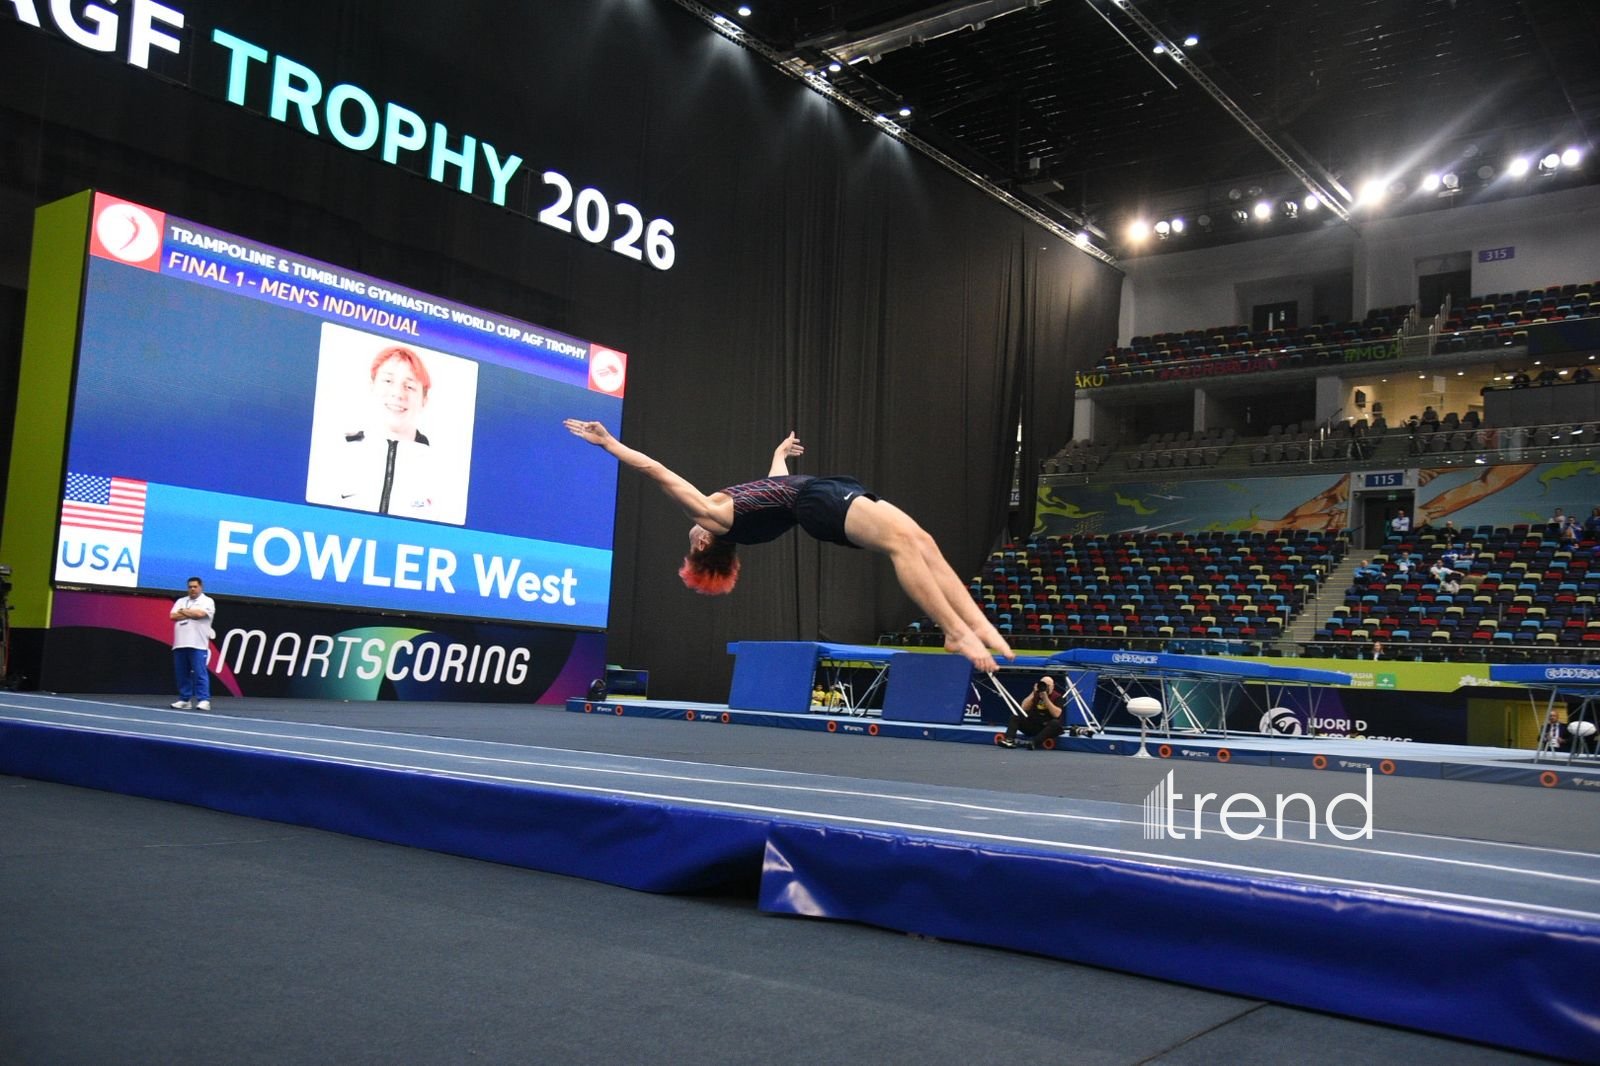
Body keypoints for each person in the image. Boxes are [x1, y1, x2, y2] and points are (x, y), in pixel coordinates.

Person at [562, 420, 1015, 672]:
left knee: (923, 541)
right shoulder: (712, 515)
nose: (691, 539)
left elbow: (775, 486)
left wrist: (779, 454)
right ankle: (954, 631)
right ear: (705, 543)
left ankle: (977, 624)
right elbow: (656, 471)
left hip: (820, 492)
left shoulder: (734, 515)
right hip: (819, 502)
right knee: (903, 547)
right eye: (692, 548)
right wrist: (610, 444)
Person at [309, 346, 441, 517]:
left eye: (409, 386)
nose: (398, 394)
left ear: (424, 400)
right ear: (372, 386)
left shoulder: (442, 470)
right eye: (388, 381)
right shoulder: (330, 452)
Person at [170, 576, 216, 710]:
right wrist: (190, 613)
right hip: (180, 643)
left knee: (199, 673)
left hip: (198, 644)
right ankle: (185, 700)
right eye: (190, 587)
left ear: (201, 587)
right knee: (182, 674)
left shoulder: (207, 601)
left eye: (195, 587)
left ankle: (204, 700)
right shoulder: (181, 601)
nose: (192, 589)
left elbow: (200, 614)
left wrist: (183, 611)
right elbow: (172, 616)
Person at [998, 675, 1065, 749]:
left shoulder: (1057, 697)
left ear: (1053, 686)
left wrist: (1045, 698)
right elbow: (1024, 707)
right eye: (1043, 684)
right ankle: (1009, 740)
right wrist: (1033, 693)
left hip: (1047, 728)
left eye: (1047, 685)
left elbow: (1056, 714)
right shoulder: (1035, 694)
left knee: (1055, 723)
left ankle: (1033, 743)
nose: (1045, 687)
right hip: (1034, 725)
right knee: (1015, 717)